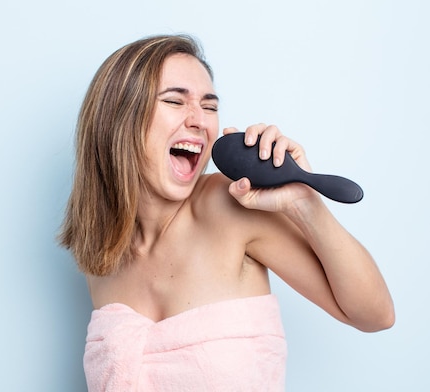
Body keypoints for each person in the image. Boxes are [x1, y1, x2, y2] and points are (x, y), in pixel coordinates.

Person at [60, 34, 394, 391]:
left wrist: (303, 204)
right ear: (117, 120)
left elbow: (375, 315)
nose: (199, 120)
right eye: (175, 100)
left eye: (210, 106)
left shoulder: (229, 204)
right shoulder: (101, 253)